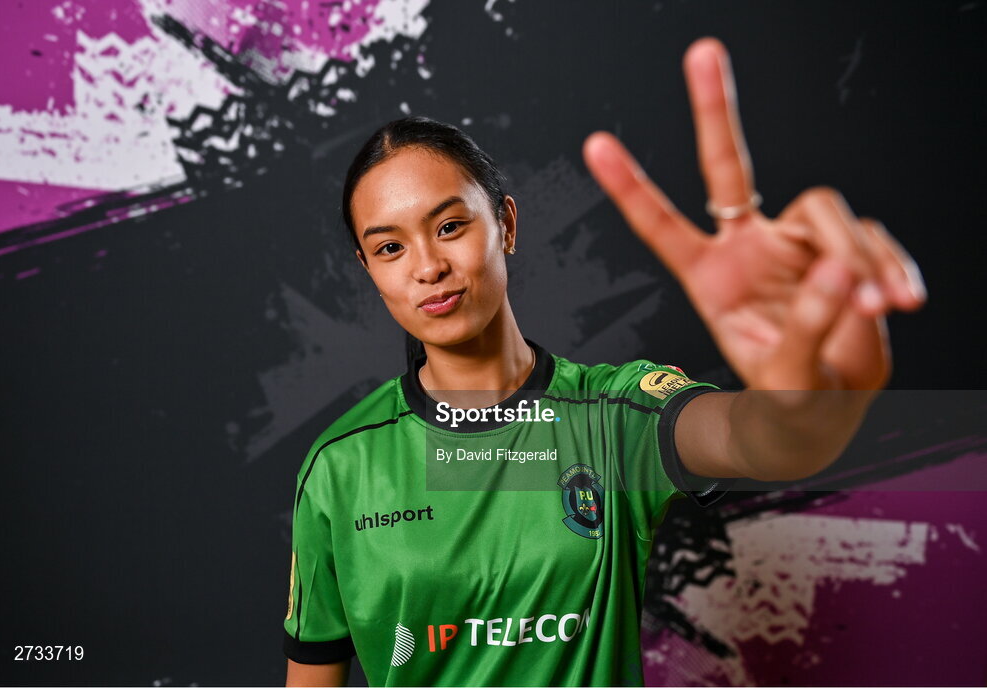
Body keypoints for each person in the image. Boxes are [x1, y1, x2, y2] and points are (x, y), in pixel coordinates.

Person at [283, 37, 925, 687]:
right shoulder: (340, 466)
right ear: (369, 270)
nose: (427, 267)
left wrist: (804, 401)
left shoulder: (613, 417)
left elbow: (757, 438)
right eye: (389, 248)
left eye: (450, 226)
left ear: (504, 223)